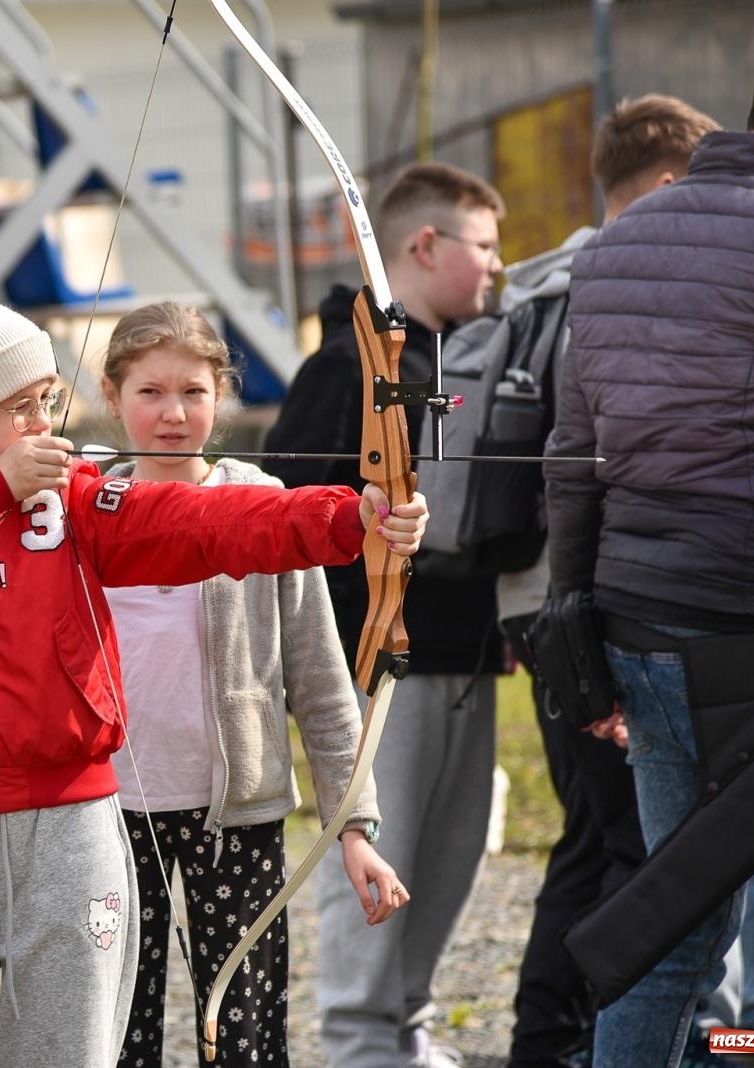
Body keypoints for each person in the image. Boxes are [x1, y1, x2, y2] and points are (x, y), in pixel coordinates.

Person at [0, 291, 428, 1068]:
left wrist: (346, 518)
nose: (45, 425)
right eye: (26, 406)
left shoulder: (68, 499)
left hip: (68, 829)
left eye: (47, 402)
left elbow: (200, 522)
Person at [546, 15, 754, 1066]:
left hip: (640, 635)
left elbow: (569, 456)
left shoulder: (617, 243)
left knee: (671, 929)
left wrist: (578, 635)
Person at [95, 301, 404, 1068]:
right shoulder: (79, 505)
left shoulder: (261, 506)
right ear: (111, 397)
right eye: (150, 393)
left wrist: (353, 830)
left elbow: (322, 684)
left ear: (221, 396)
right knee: (111, 1026)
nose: (173, 414)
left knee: (244, 1030)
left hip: (234, 813)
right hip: (102, 812)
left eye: (194, 393)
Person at [263, 161, 506, 1068]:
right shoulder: (342, 368)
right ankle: (362, 1042)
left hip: (462, 657)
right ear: (425, 245)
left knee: (449, 864)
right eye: (481, 246)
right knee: (380, 861)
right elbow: (290, 515)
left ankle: (406, 1033)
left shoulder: (459, 360)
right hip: (382, 662)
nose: (493, 266)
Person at [492, 94, 718, 1068]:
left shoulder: (539, 281)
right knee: (646, 857)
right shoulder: (627, 279)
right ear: (671, 186)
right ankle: (626, 1050)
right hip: (596, 610)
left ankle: (546, 1044)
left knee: (591, 846)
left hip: (537, 606)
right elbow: (594, 460)